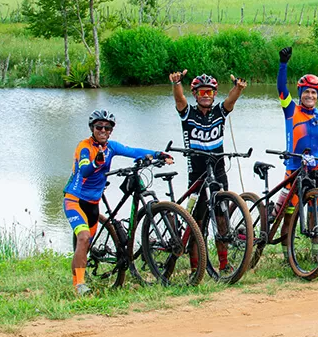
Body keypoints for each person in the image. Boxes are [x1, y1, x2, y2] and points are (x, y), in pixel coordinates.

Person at [63, 110, 173, 295]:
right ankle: (79, 285)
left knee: (88, 242)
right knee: (83, 238)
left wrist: (157, 154)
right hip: (75, 200)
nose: (103, 130)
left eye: (108, 127)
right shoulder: (84, 147)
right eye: (99, 127)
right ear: (92, 128)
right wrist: (96, 163)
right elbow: (84, 171)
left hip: (93, 203)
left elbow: (132, 151)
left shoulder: (111, 147)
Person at [168, 70, 246, 272]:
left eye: (210, 92)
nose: (205, 95)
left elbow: (230, 101)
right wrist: (177, 84)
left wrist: (238, 88)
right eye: (201, 92)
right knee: (197, 221)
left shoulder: (219, 111)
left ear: (214, 95)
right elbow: (179, 100)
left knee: (222, 219)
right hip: (197, 171)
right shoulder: (188, 113)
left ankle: (224, 264)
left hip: (218, 170)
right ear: (195, 94)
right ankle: (196, 268)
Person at [276, 47, 318, 259]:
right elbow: (281, 88)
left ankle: (315, 254)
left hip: (316, 171)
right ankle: (286, 256)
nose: (310, 95)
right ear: (301, 94)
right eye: (306, 92)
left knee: (317, 213)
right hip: (293, 171)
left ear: (317, 96)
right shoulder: (291, 110)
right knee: (289, 215)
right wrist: (283, 64)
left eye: (314, 92)